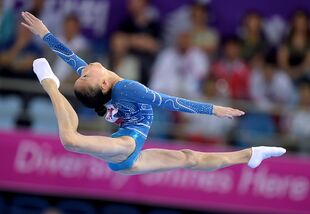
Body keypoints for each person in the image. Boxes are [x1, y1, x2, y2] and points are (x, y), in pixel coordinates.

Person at [21, 11, 286, 174]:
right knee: (71, 141)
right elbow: (169, 101)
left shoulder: (99, 83)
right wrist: (213, 109)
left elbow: (70, 57)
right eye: (86, 74)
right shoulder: (125, 87)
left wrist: (45, 34)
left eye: (83, 73)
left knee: (190, 159)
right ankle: (50, 84)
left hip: (129, 155)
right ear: (102, 85)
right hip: (128, 145)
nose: (84, 68)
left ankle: (251, 155)